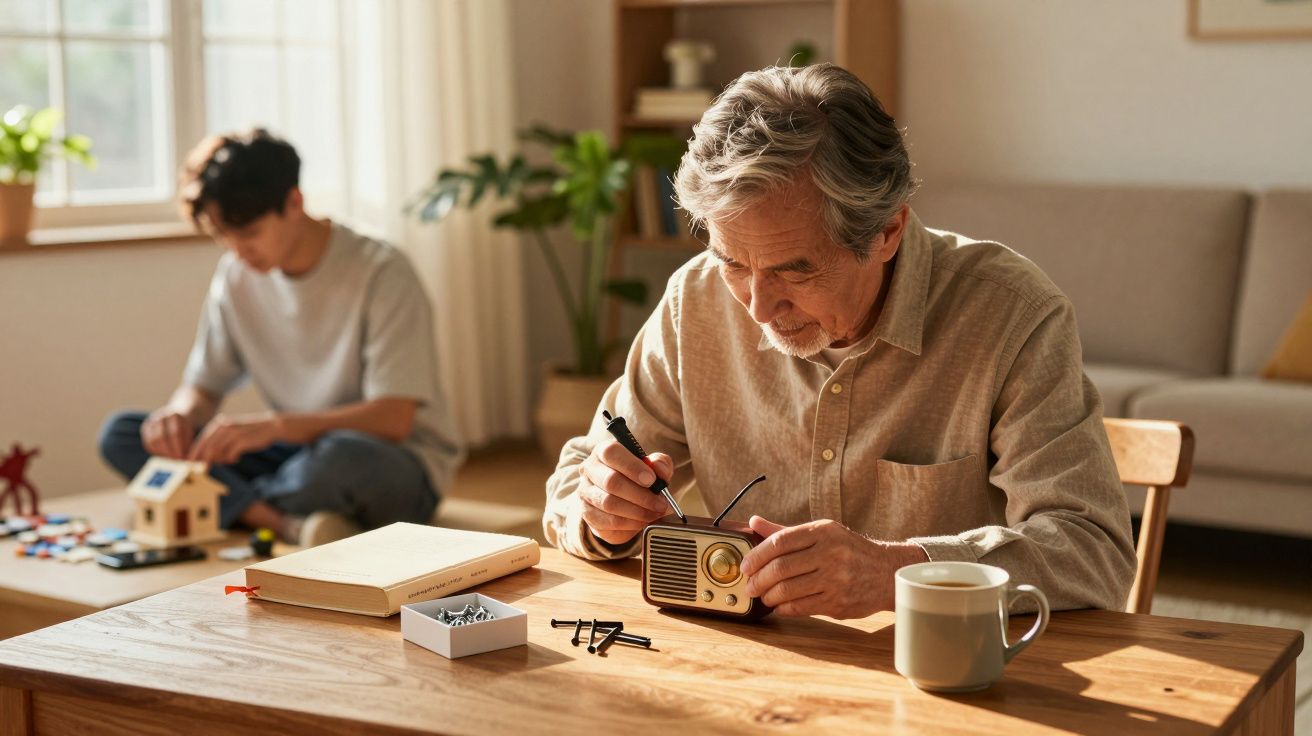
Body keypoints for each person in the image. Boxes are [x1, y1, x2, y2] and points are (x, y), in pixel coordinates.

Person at [543, 64, 1136, 617]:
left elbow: (1093, 551)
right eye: (732, 263)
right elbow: (579, 478)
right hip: (743, 678)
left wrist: (898, 572)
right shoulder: (694, 301)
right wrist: (601, 511)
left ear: (888, 231)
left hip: (940, 680)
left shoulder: (1012, 315)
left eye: (795, 271)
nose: (756, 307)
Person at [99, 129, 462, 546]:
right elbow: (203, 388)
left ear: (295, 202)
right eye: (222, 236)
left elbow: (393, 419)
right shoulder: (236, 277)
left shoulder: (382, 271)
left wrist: (275, 427)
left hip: (387, 462)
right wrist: (178, 416)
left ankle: (228, 503)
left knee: (338, 462)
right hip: (294, 455)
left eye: (249, 233)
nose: (237, 251)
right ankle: (276, 519)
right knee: (124, 433)